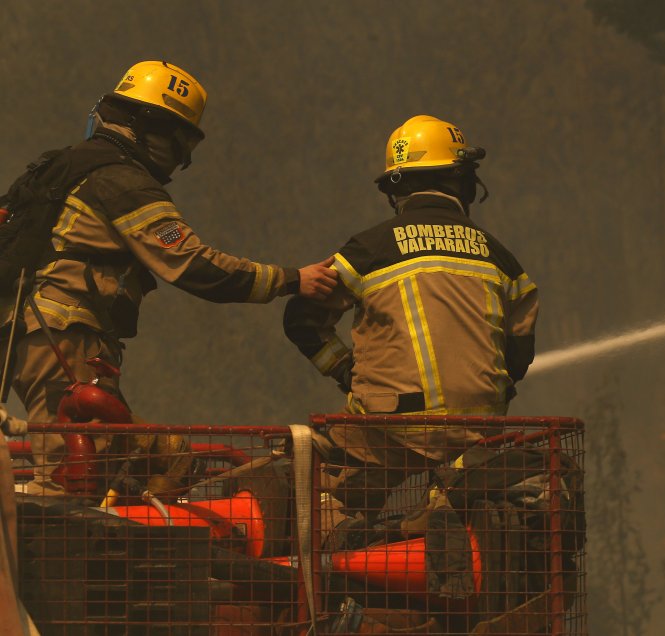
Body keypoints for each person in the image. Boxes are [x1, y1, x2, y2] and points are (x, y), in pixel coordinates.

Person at [5, 61, 338, 496]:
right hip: (65, 334)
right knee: (74, 473)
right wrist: (293, 280)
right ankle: (47, 563)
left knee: (91, 457)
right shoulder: (123, 181)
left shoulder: (62, 168)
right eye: (180, 144)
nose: (182, 161)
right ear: (152, 128)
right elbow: (197, 267)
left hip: (25, 332)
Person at [283, 114, 538, 516]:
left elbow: (300, 318)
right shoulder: (501, 257)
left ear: (395, 190)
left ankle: (342, 540)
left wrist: (347, 371)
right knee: (463, 515)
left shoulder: (370, 248)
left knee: (310, 492)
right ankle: (435, 520)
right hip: (478, 433)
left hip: (389, 429)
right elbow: (519, 356)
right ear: (462, 181)